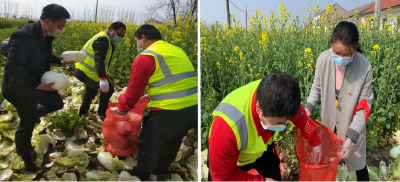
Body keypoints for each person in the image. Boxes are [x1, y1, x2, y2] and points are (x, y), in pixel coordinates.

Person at [116, 24, 198, 181]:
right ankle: (159, 170)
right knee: (172, 142)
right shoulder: (177, 50)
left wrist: (122, 108)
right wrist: (152, 94)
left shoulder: (146, 57)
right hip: (193, 109)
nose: (137, 46)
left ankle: (140, 175)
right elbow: (177, 80)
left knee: (147, 143)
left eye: (136, 41)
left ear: (143, 38)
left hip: (169, 111)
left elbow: (132, 94)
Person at [208, 72, 322, 181]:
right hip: (235, 161)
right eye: (277, 123)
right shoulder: (226, 129)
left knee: (274, 172)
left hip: (262, 150)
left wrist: (315, 141)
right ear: (259, 108)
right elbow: (223, 177)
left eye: (286, 121)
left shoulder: (281, 95)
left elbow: (301, 117)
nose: (283, 126)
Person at [2, 4, 70, 173]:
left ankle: (32, 115)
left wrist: (58, 60)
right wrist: (38, 85)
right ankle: (26, 159)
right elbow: (13, 67)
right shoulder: (23, 37)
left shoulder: (45, 34)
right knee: (26, 126)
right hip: (20, 88)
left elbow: (44, 55)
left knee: (56, 104)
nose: (62, 29)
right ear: (48, 21)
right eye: (61, 26)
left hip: (37, 82)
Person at [305, 21, 373, 181]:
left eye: (346, 54)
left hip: (351, 124)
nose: (340, 58)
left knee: (358, 164)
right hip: (329, 121)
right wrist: (307, 110)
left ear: (355, 47)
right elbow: (316, 88)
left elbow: (364, 107)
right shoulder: (323, 59)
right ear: (331, 44)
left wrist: (349, 139)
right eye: (336, 52)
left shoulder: (364, 67)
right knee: (326, 161)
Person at [74, 21, 126, 120]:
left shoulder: (105, 38)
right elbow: (99, 59)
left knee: (91, 91)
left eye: (122, 36)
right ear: (111, 30)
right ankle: (102, 113)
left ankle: (82, 114)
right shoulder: (103, 39)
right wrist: (103, 78)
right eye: (119, 35)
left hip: (86, 71)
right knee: (108, 89)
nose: (120, 38)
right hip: (85, 71)